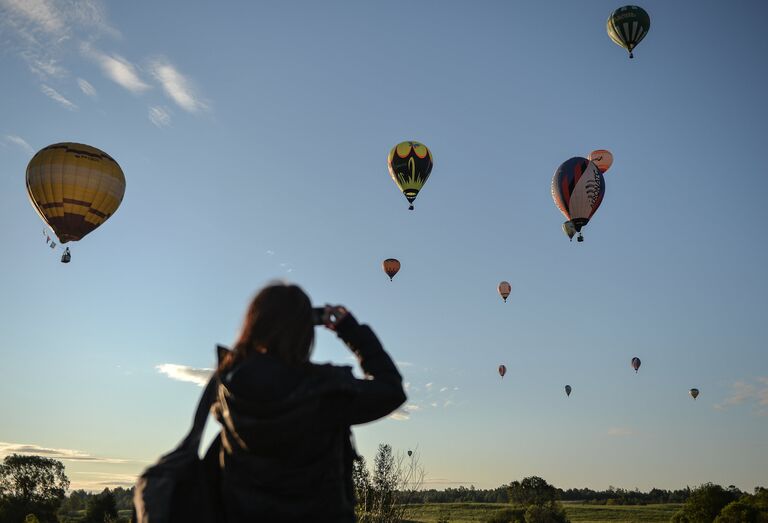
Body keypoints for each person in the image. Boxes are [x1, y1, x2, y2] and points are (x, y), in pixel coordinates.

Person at [209, 283, 407, 522]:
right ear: (306, 333)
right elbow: (391, 389)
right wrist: (350, 331)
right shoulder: (325, 390)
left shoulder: (228, 391)